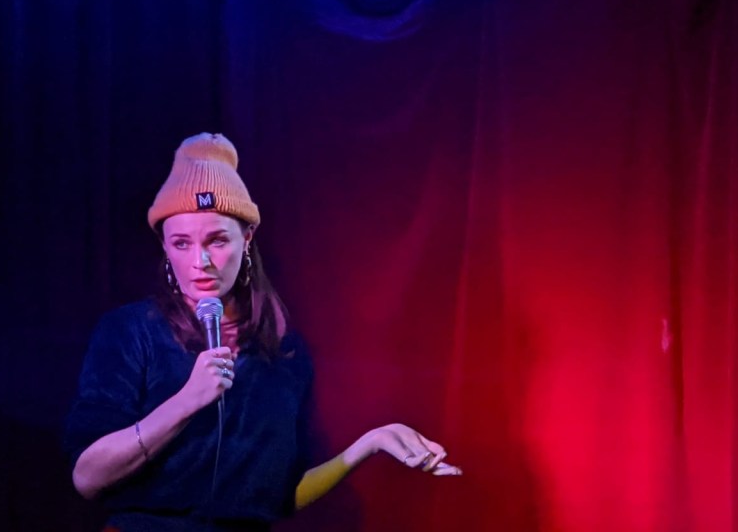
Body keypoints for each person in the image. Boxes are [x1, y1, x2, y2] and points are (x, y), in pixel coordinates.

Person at [64, 133, 461, 531]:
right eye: (181, 243)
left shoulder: (283, 352)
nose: (200, 261)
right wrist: (187, 401)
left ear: (247, 238)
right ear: (166, 248)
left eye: (217, 240)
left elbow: (280, 495)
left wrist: (367, 444)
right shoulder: (132, 333)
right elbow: (87, 477)